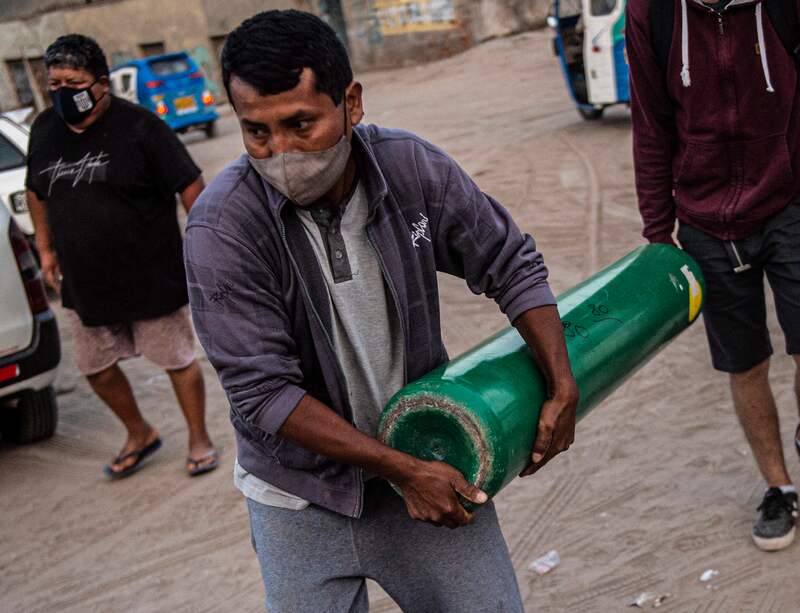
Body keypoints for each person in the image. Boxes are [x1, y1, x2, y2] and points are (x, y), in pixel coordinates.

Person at [184, 10, 579, 612]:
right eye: (257, 133)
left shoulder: (410, 168)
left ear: (351, 102)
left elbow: (510, 261)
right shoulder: (223, 227)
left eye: (301, 124)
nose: (282, 153)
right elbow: (263, 393)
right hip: (298, 498)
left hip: (428, 465)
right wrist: (401, 469)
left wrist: (562, 381)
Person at [627, 0, 800, 551]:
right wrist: (659, 235)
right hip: (705, 219)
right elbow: (651, 122)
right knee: (745, 362)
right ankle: (778, 486)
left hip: (790, 199)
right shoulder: (651, 12)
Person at [25, 35, 219, 479]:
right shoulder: (44, 129)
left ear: (101, 83)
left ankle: (198, 438)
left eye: (73, 82)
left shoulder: (142, 127)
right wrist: (45, 247)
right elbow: (36, 191)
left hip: (150, 274)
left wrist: (210, 248)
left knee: (175, 359)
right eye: (54, 83)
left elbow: (191, 187)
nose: (63, 92)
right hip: (84, 278)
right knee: (95, 367)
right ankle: (139, 432)